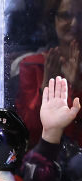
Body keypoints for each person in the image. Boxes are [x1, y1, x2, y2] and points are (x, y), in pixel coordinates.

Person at [17, 0, 82, 148]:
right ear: (54, 20)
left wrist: (77, 87)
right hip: (45, 154)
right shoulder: (33, 65)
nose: (74, 23)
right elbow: (28, 132)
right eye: (65, 15)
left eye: (81, 16)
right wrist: (45, 89)